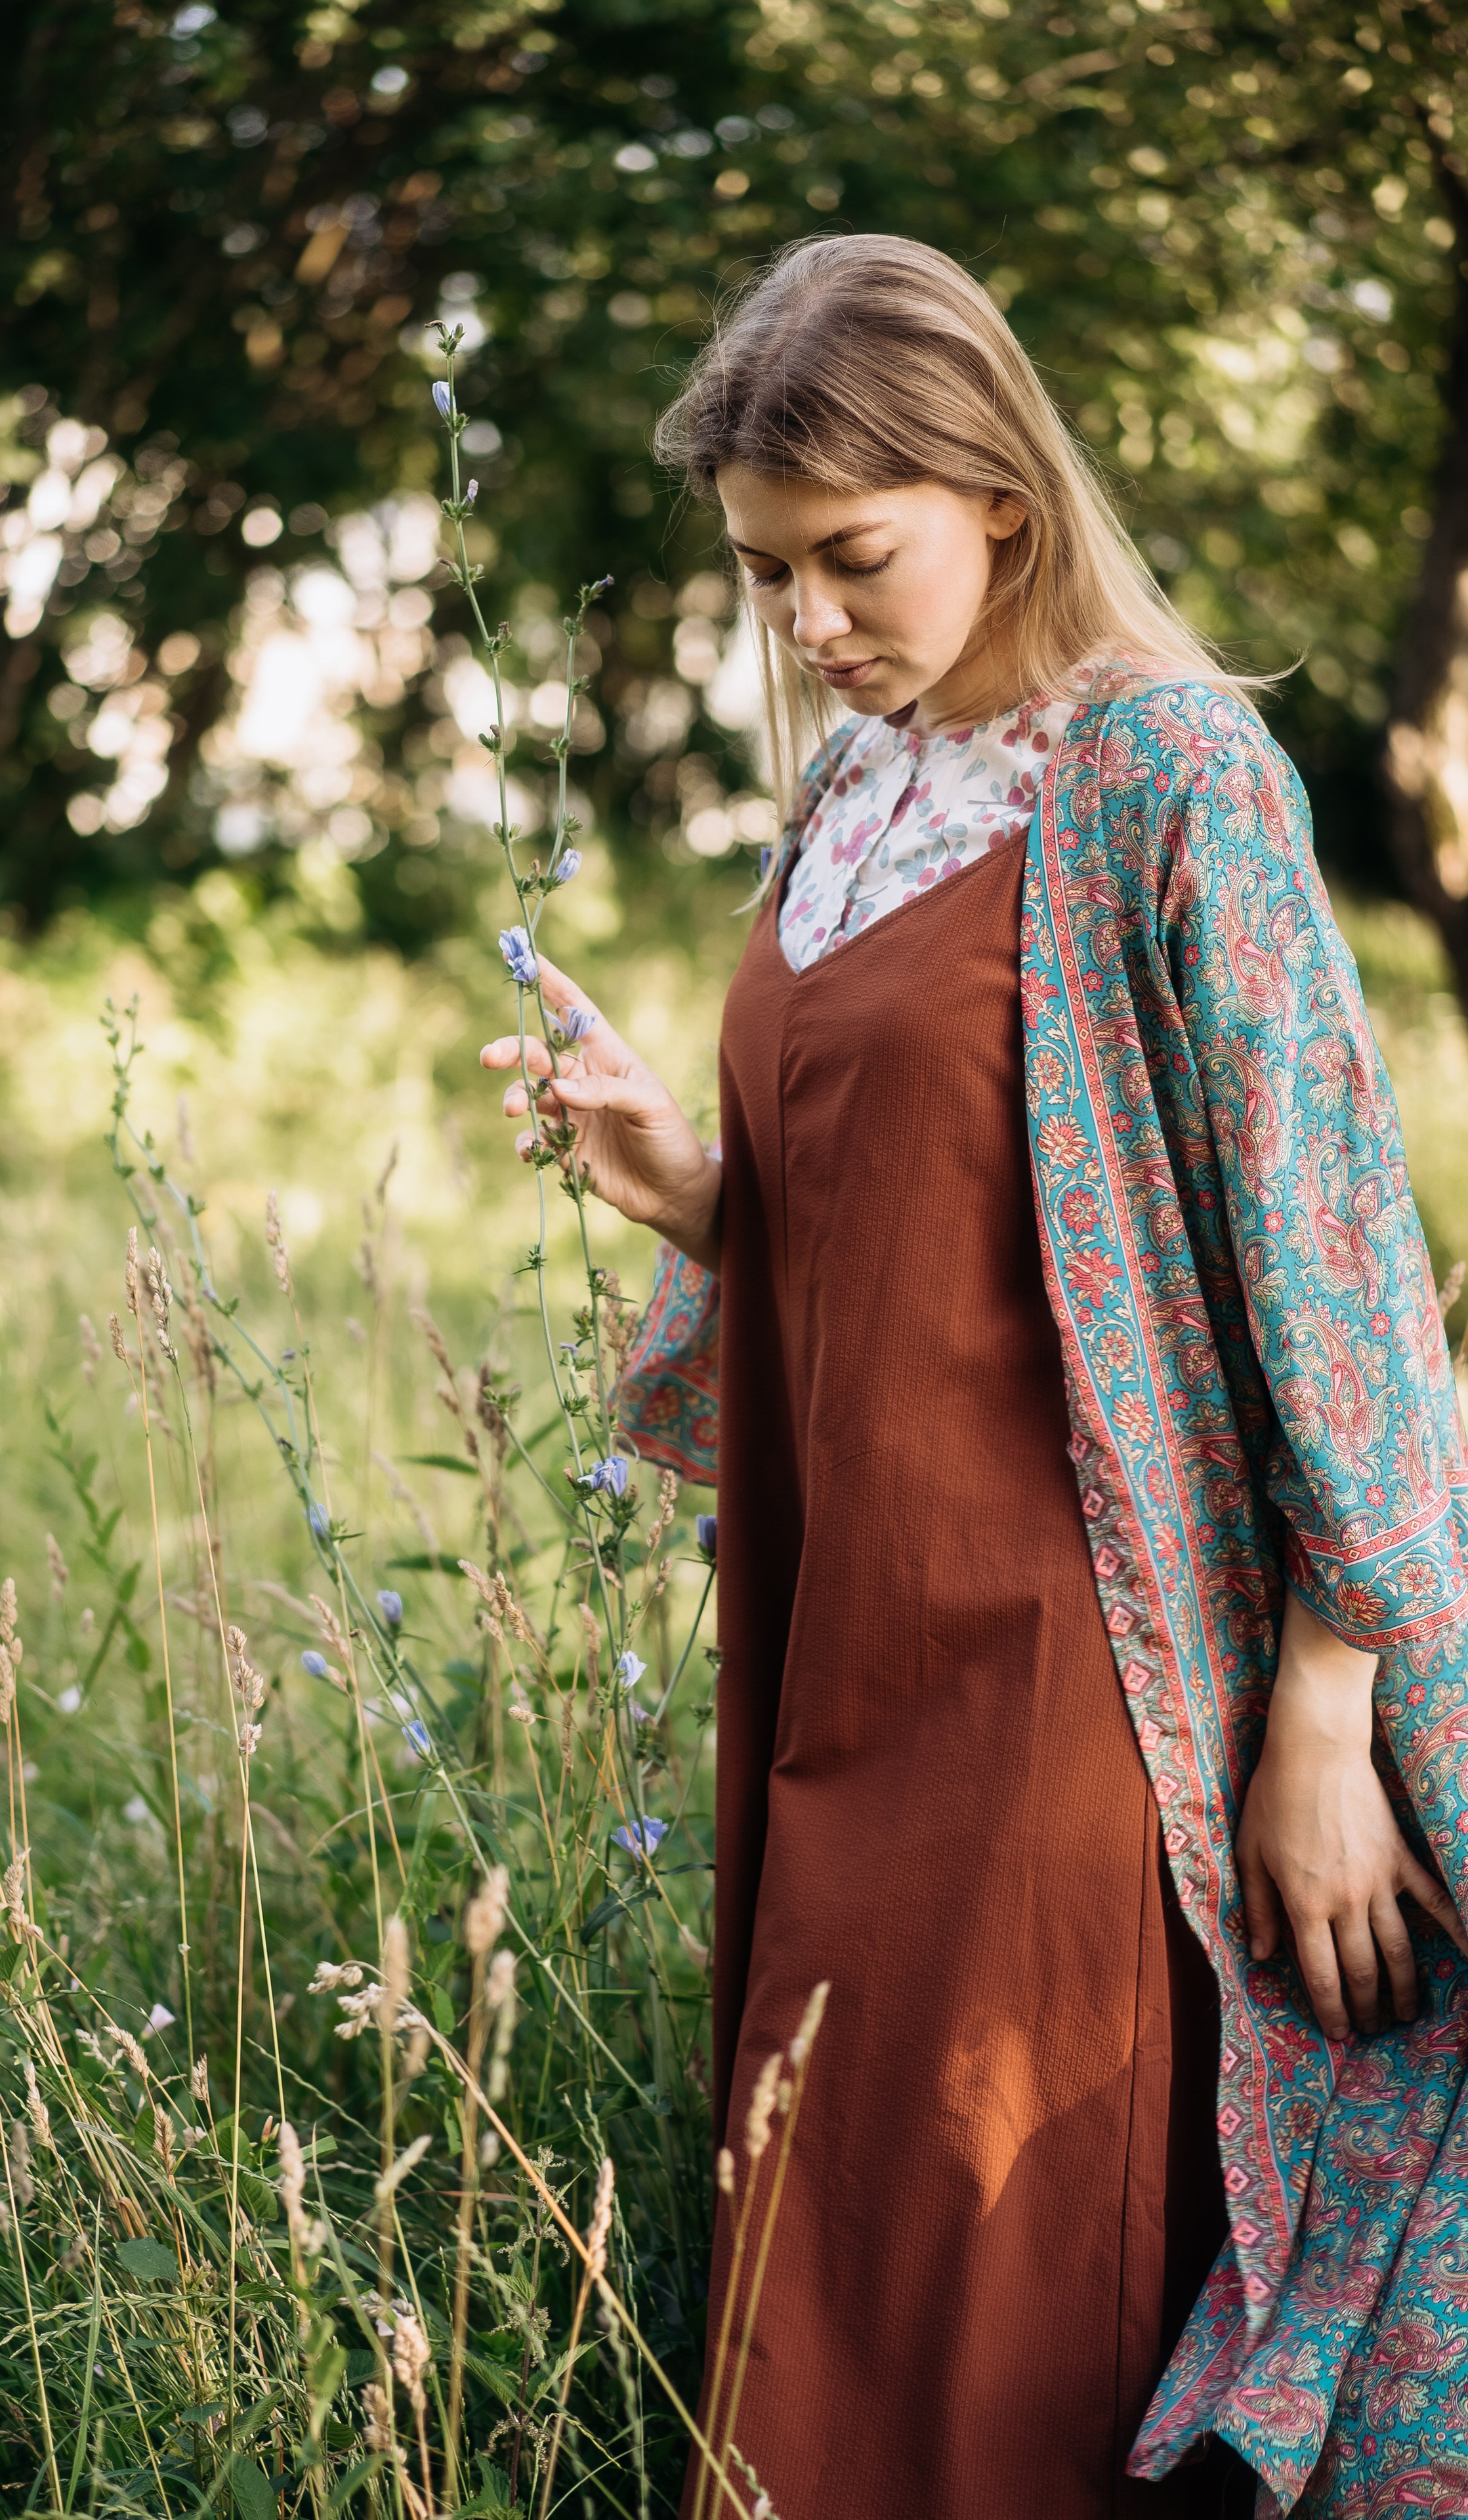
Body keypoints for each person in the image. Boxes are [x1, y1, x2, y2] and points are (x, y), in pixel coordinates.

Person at [480, 236, 1468, 2519]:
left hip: (1076, 1693)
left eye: (853, 557)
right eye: (764, 576)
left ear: (998, 494)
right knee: (818, 2263)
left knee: (1011, 2259)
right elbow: (932, 1244)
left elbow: (1329, 1262)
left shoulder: (1166, 774)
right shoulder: (863, 793)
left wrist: (1324, 1714)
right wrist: (699, 1188)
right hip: (841, 1654)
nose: (808, 625)